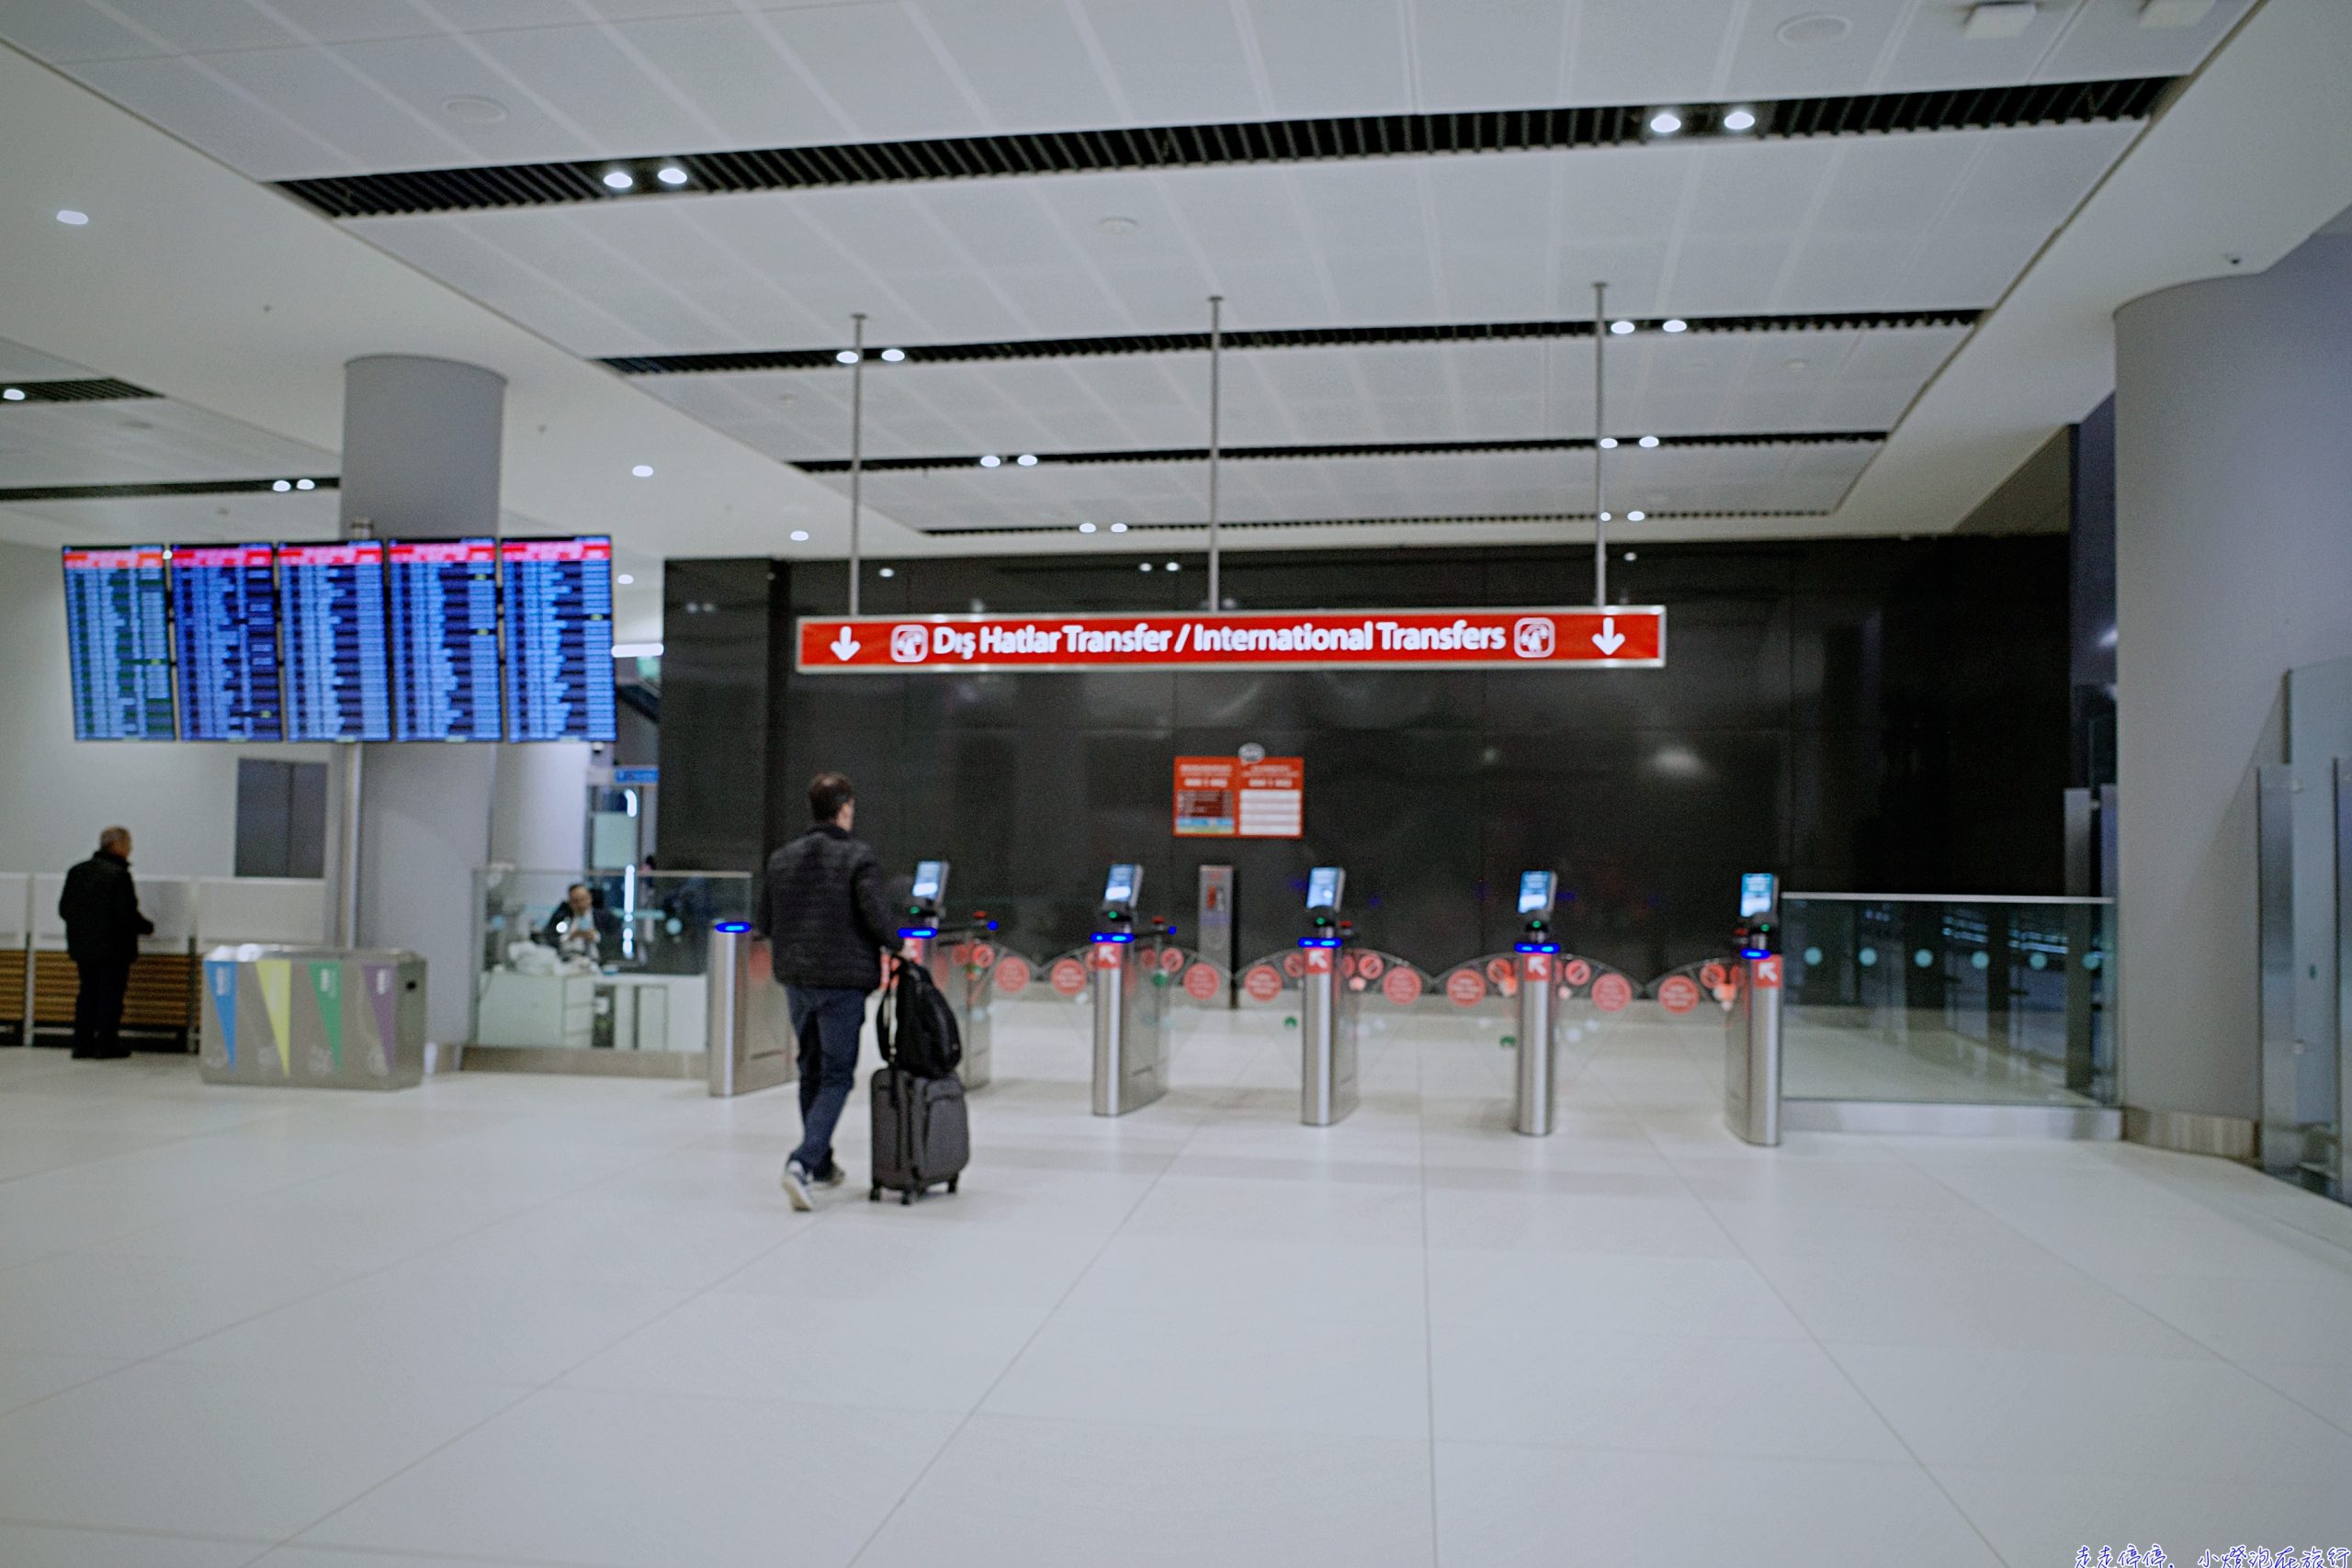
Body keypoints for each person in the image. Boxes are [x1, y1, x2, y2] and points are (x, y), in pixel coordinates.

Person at [757, 772, 901, 1210]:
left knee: (811, 1070)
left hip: (797, 980)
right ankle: (801, 1162)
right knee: (837, 1075)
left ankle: (820, 1163)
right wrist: (898, 946)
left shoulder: (782, 859)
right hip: (842, 981)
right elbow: (876, 916)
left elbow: (765, 922)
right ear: (844, 810)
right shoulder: (857, 857)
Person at [59, 826, 153, 1060]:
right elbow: (126, 914)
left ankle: (81, 1044)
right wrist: (147, 927)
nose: (131, 849)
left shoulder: (77, 871)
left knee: (87, 994)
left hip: (83, 947)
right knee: (110, 997)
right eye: (128, 843)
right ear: (118, 845)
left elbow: (64, 909)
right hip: (114, 948)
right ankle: (106, 1044)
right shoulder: (119, 875)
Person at [540, 882, 621, 964]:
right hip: (567, 962)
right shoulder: (560, 917)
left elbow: (615, 940)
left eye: (583, 899)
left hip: (598, 963)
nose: (580, 905)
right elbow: (548, 937)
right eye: (576, 901)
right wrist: (569, 937)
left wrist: (596, 936)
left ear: (590, 898)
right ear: (570, 902)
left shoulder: (605, 918)